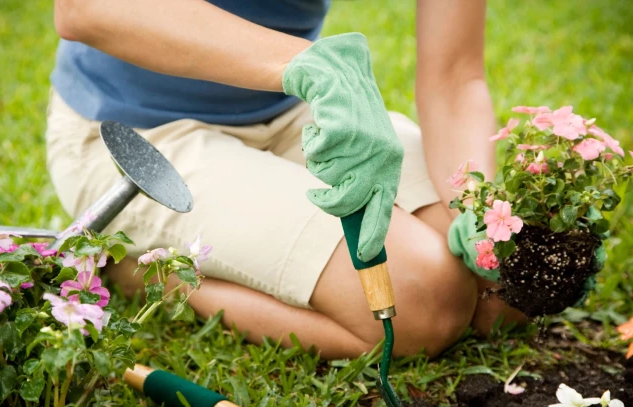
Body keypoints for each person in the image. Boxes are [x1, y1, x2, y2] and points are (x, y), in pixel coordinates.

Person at [47, 0, 525, 360]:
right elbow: (86, 7)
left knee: (502, 295)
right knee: (422, 306)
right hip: (139, 137)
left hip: (287, 107)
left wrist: (476, 208)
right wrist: (309, 65)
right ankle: (148, 274)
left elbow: (454, 76)